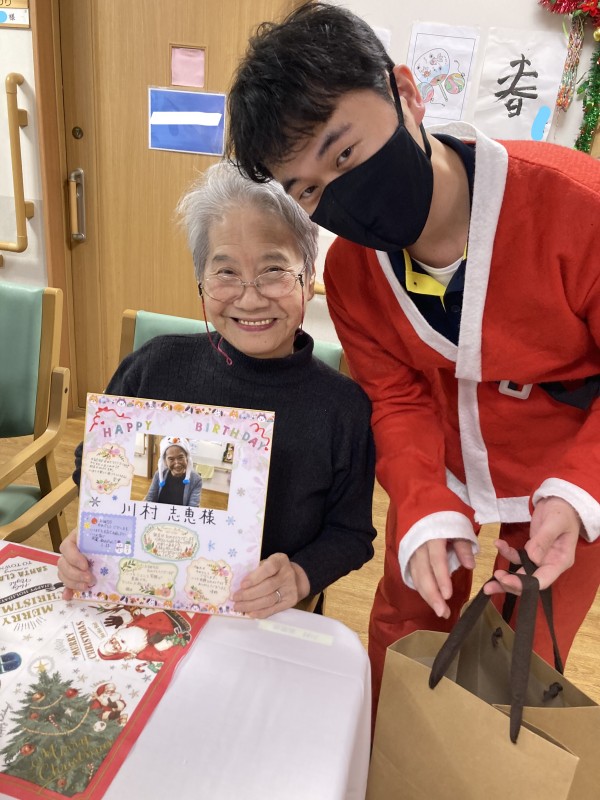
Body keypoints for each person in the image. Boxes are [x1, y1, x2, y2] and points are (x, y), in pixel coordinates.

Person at [226, 2, 600, 712]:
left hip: (570, 450)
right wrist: (424, 503)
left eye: (343, 154)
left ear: (405, 92)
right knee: (410, 609)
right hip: (441, 451)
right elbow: (395, 398)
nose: (339, 193)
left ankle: (497, 753)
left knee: (531, 633)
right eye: (309, 190)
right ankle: (387, 745)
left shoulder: (577, 205)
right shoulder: (352, 274)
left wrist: (581, 490)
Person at [58, 161, 376, 618]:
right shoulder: (154, 367)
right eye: (225, 273)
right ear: (201, 284)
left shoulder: (343, 407)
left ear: (308, 280)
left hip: (266, 616)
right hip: (145, 599)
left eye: (273, 269)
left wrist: (300, 575)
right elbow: (92, 464)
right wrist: (92, 536)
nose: (250, 297)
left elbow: (351, 533)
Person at [145, 435, 202, 507]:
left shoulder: (196, 479)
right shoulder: (159, 475)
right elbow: (150, 498)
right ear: (165, 461)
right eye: (171, 459)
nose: (177, 464)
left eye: (180, 457)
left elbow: (193, 506)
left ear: (187, 458)